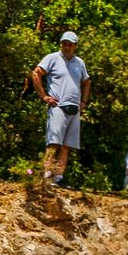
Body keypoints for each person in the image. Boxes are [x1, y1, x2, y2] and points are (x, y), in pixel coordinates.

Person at [31, 30, 91, 186]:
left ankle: (58, 178)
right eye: (64, 43)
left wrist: (84, 102)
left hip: (74, 109)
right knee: (54, 142)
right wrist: (44, 96)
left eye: (70, 44)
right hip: (58, 106)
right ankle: (46, 176)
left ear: (75, 45)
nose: (67, 46)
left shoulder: (79, 63)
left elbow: (86, 82)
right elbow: (36, 73)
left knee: (66, 146)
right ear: (61, 44)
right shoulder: (52, 58)